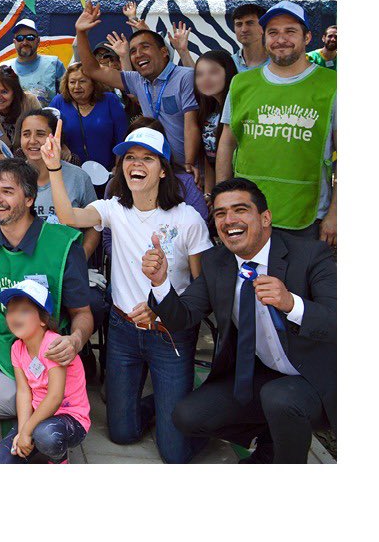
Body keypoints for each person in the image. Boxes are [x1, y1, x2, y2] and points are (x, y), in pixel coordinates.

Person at [42, 125, 212, 463]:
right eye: (130, 157)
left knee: (175, 454)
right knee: (121, 433)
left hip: (170, 335)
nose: (137, 163)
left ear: (163, 169)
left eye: (148, 158)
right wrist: (54, 168)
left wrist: (160, 307)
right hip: (122, 333)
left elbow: (202, 287)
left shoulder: (188, 218)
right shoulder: (113, 208)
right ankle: (165, 406)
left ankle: (190, 411)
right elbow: (68, 216)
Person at [138, 178, 336, 464]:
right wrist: (160, 284)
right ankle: (270, 440)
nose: (229, 220)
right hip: (262, 375)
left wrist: (291, 303)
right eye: (220, 213)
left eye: (240, 210)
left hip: (315, 378)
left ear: (265, 217)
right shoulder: (218, 262)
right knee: (188, 416)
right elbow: (183, 317)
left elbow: (338, 322)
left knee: (281, 399)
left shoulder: (310, 255)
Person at [0, 159, 94, 434]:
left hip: (39, 343)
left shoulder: (63, 244)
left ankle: (25, 399)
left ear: (29, 198)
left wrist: (75, 340)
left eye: (7, 191)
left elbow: (83, 313)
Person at [216, 0, 337, 246]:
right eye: (273, 32)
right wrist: (222, 203)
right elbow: (227, 144)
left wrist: (336, 214)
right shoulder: (241, 84)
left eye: (290, 31)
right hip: (245, 214)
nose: (281, 39)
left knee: (297, 286)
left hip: (307, 216)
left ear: (308, 37)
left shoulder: (333, 85)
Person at [73, 0, 202, 189]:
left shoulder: (185, 77)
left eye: (145, 47)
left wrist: (189, 165)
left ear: (164, 51)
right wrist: (81, 33)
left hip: (187, 172)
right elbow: (92, 70)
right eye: (133, 51)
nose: (138, 54)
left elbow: (192, 124)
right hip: (155, 170)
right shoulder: (137, 80)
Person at [0, 278, 91, 464]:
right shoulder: (16, 348)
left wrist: (28, 431)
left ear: (43, 320)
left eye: (25, 311)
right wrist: (22, 432)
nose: (15, 316)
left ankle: (58, 459)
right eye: (10, 311)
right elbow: (24, 392)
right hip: (38, 417)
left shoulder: (54, 345)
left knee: (47, 435)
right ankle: (37, 444)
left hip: (69, 418)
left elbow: (54, 397)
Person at [14, 110, 100, 259]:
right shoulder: (10, 178)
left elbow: (95, 226)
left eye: (40, 134)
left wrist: (81, 258)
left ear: (54, 137)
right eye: (26, 134)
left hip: (67, 265)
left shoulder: (79, 177)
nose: (32, 140)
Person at [48, 61, 128, 172]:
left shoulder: (110, 100)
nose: (77, 87)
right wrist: (61, 145)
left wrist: (119, 167)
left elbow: (122, 137)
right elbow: (46, 131)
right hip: (70, 173)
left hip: (108, 173)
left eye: (82, 81)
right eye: (72, 82)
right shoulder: (58, 102)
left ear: (94, 83)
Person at [193, 51, 237, 192]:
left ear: (228, 72)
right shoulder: (207, 112)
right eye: (200, 74)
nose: (206, 79)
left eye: (213, 72)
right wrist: (208, 194)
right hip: (218, 189)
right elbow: (209, 158)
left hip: (236, 187)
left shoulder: (237, 109)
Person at [4, 15, 66, 106]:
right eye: (20, 38)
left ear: (38, 41)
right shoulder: (5, 68)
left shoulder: (54, 64)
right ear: (14, 42)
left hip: (47, 119)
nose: (25, 42)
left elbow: (68, 96)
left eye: (30, 37)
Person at [230, 3, 268, 72]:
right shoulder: (229, 64)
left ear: (263, 27)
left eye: (250, 23)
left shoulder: (277, 63)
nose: (244, 29)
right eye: (239, 24)